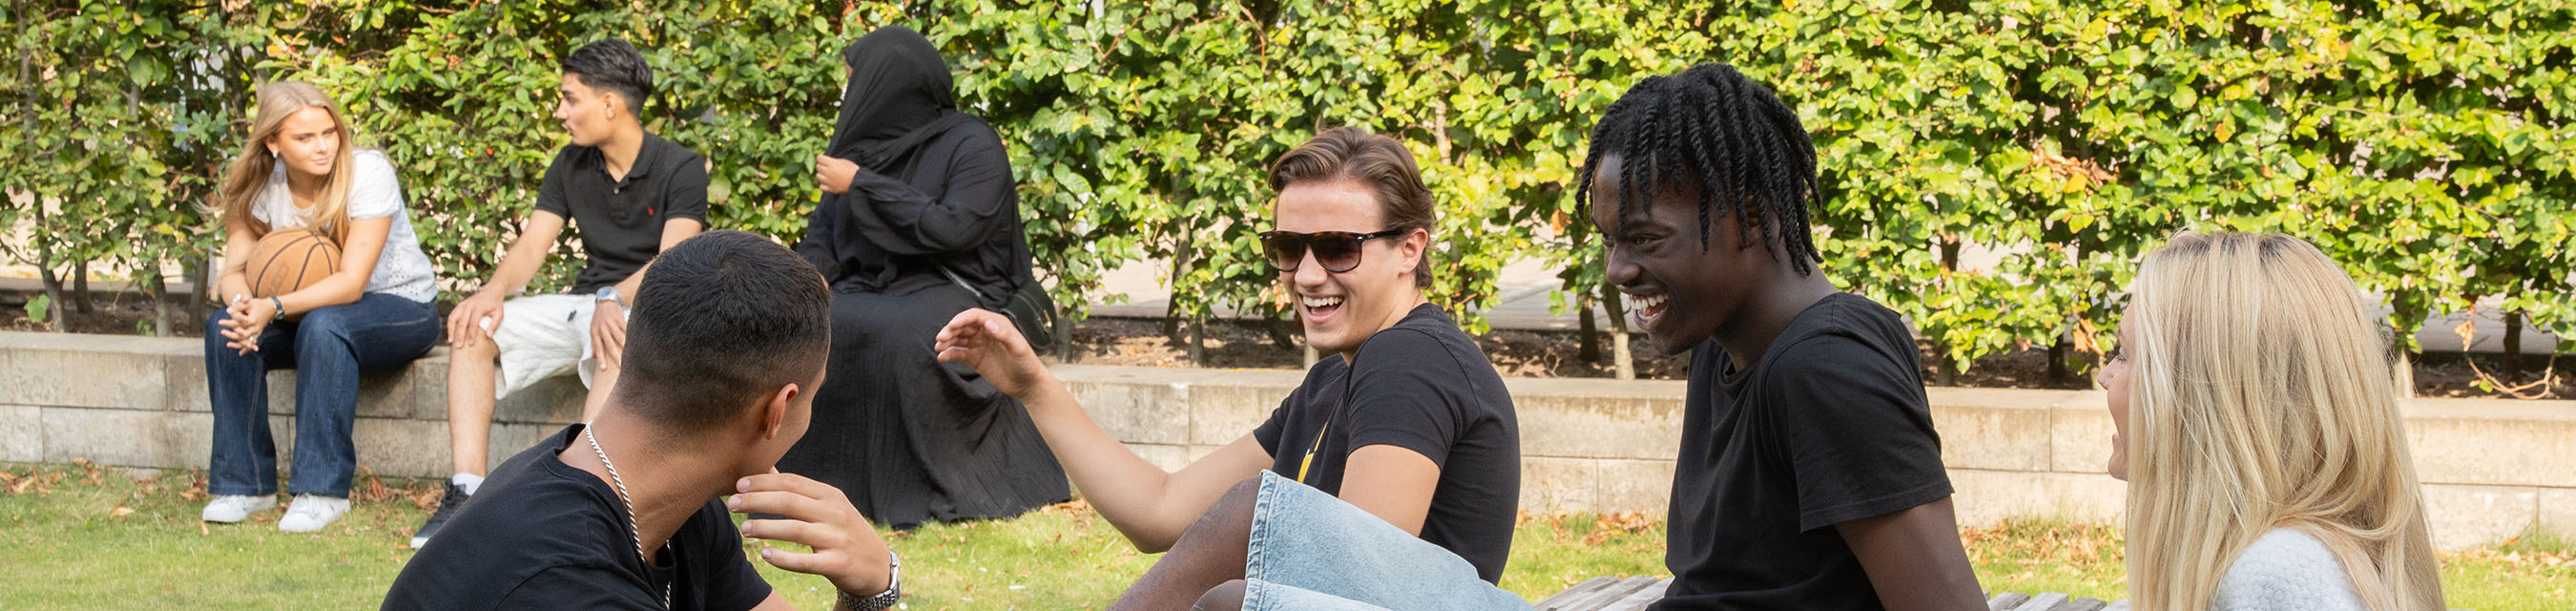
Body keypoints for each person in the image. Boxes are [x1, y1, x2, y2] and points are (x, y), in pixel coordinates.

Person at [935, 126, 1523, 610]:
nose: (1309, 274)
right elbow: (1161, 511)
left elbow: (1351, 571)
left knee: (1242, 552)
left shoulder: (1409, 357)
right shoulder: (1334, 378)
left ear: (1410, 249)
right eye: (1289, 248)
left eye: (1339, 247)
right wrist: (1033, 387)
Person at [383, 230, 901, 610]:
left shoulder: (673, 503)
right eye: (816, 394)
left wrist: (872, 587)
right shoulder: (567, 583)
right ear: (779, 409)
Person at [415, 38, 709, 548]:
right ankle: (466, 493)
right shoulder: (570, 163)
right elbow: (532, 246)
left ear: (610, 104)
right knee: (473, 328)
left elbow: (673, 260)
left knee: (618, 335)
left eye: (571, 98)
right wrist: (490, 292)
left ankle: (589, 508)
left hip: (642, 307)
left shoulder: (680, 166)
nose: (560, 112)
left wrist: (612, 299)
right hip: (586, 302)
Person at [779, 25, 1066, 530]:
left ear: (888, 84)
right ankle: (819, 490)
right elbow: (822, 232)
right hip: (871, 284)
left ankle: (926, 490)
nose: (851, 95)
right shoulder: (857, 148)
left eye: (856, 81)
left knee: (900, 335)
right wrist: (814, 277)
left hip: (956, 281)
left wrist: (863, 185)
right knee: (817, 325)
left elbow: (957, 227)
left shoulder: (970, 141)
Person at [2099, 232, 2444, 611]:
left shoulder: (2278, 576)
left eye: (2124, 354)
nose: (2105, 376)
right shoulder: (2261, 563)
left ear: (2209, 400)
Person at [197, 81, 442, 534]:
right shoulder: (258, 186)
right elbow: (232, 272)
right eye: (304, 138)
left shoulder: (367, 172)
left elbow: (350, 284)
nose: (322, 146)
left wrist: (272, 305)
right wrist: (245, 306)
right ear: (272, 142)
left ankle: (322, 492)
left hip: (400, 307)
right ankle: (245, 485)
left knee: (327, 326)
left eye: (328, 132)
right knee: (223, 327)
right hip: (304, 312)